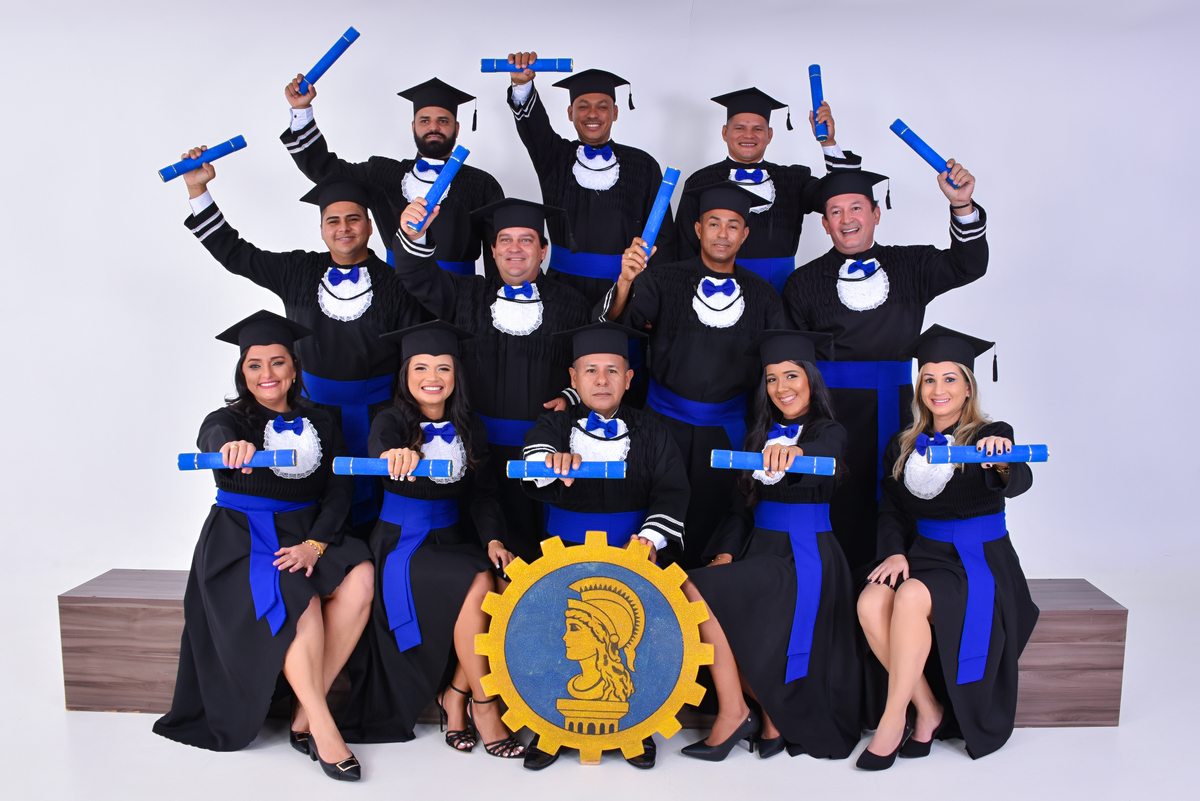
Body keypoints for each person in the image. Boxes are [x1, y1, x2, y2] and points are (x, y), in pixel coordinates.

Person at [153, 311, 374, 783]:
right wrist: (229, 447)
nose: (266, 374)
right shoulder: (227, 420)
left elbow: (339, 489)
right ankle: (323, 726)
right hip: (244, 539)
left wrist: (316, 544)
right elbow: (212, 436)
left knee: (361, 576)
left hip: (307, 531)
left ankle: (303, 713)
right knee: (301, 599)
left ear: (294, 368)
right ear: (243, 372)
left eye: (277, 362)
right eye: (254, 365)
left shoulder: (322, 419)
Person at [179, 152, 422, 531]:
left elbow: (414, 357)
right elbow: (237, 254)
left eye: (353, 218)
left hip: (379, 417)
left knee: (379, 502)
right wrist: (198, 190)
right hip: (310, 413)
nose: (344, 228)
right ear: (322, 228)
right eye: (333, 221)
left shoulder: (397, 283)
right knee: (313, 495)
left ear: (370, 226)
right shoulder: (297, 270)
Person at [781, 164, 987, 572]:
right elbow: (794, 363)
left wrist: (962, 206)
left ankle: (898, 583)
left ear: (876, 213)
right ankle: (835, 586)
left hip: (898, 407)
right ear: (824, 224)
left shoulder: (912, 264)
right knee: (836, 494)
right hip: (831, 411)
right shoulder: (802, 282)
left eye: (856, 208)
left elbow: (969, 265)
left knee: (899, 487)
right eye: (835, 212)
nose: (847, 219)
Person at [336, 321, 524, 759]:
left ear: (456, 375)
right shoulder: (389, 420)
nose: (432, 378)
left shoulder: (472, 427)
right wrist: (394, 455)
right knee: (479, 582)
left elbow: (484, 496)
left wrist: (494, 540)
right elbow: (379, 447)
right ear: (405, 375)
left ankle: (454, 695)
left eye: (443, 368)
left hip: (452, 537)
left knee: (501, 580)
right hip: (402, 543)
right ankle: (484, 706)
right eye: (420, 367)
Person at [855, 325, 1038, 769]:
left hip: (979, 560)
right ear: (919, 387)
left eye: (950, 379)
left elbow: (1019, 480)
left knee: (911, 596)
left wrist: (1002, 459)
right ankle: (928, 708)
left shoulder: (991, 434)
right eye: (929, 380)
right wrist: (894, 551)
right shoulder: (903, 444)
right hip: (924, 553)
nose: (939, 390)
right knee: (870, 602)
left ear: (968, 386)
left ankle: (893, 720)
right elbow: (892, 509)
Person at [518, 321, 690, 770]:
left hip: (632, 553)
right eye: (590, 370)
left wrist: (650, 539)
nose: (601, 380)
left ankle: (637, 726)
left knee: (640, 641)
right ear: (573, 378)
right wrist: (552, 462)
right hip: (564, 554)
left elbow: (672, 491)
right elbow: (533, 459)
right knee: (555, 635)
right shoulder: (554, 424)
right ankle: (549, 729)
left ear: (628, 379)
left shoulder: (653, 430)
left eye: (612, 370)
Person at [684, 331, 861, 761]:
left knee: (695, 587)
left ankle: (737, 714)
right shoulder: (757, 434)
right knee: (700, 592)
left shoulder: (829, 430)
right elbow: (740, 507)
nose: (782, 387)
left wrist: (796, 454)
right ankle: (760, 714)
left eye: (791, 375)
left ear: (811, 379)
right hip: (758, 548)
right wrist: (725, 553)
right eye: (771, 378)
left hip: (804, 556)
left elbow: (827, 455)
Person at [392, 196, 591, 561]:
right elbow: (416, 275)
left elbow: (589, 372)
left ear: (543, 251)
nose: (515, 248)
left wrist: (570, 396)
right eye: (505, 240)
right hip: (473, 451)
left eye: (526, 239)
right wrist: (413, 234)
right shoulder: (465, 294)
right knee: (479, 548)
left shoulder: (573, 304)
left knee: (540, 553)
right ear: (493, 250)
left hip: (541, 454)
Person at [601, 182, 786, 566]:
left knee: (716, 522)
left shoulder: (765, 296)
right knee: (651, 516)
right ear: (698, 229)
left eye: (733, 225)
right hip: (661, 425)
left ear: (745, 234)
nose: (723, 233)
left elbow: (777, 368)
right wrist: (625, 282)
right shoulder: (661, 280)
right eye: (714, 223)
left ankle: (707, 592)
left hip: (728, 431)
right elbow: (620, 329)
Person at [282, 75, 504, 274]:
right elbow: (327, 172)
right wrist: (302, 111)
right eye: (424, 120)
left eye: (443, 121)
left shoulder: (482, 183)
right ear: (413, 126)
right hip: (397, 295)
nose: (433, 127)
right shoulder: (383, 174)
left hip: (459, 296)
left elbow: (498, 253)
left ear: (457, 128)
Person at [505, 54, 676, 306]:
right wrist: (522, 85)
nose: (592, 114)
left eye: (602, 107)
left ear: (615, 112)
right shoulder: (555, 158)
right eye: (583, 106)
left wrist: (652, 300)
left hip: (625, 291)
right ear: (570, 113)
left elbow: (663, 238)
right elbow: (535, 128)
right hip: (560, 291)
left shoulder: (644, 165)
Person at [675, 87, 862, 293]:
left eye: (758, 129)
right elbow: (683, 246)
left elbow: (843, 196)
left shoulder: (793, 179)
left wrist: (828, 142)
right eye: (739, 128)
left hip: (781, 290)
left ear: (769, 135)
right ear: (725, 133)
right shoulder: (700, 181)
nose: (749, 135)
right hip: (715, 290)